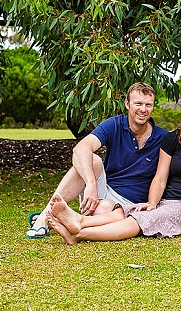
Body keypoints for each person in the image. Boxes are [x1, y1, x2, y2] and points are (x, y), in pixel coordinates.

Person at [43, 89, 181, 244]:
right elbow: (160, 178)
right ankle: (78, 220)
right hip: (166, 201)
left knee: (137, 222)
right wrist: (153, 203)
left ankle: (79, 234)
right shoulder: (172, 139)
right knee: (124, 212)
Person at [27, 83, 168, 239]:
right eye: (138, 104)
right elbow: (80, 149)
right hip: (105, 189)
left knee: (102, 210)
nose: (143, 109)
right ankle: (45, 217)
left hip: (129, 203)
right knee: (90, 159)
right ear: (127, 104)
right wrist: (91, 184)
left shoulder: (162, 137)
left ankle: (65, 218)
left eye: (148, 105)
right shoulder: (114, 124)